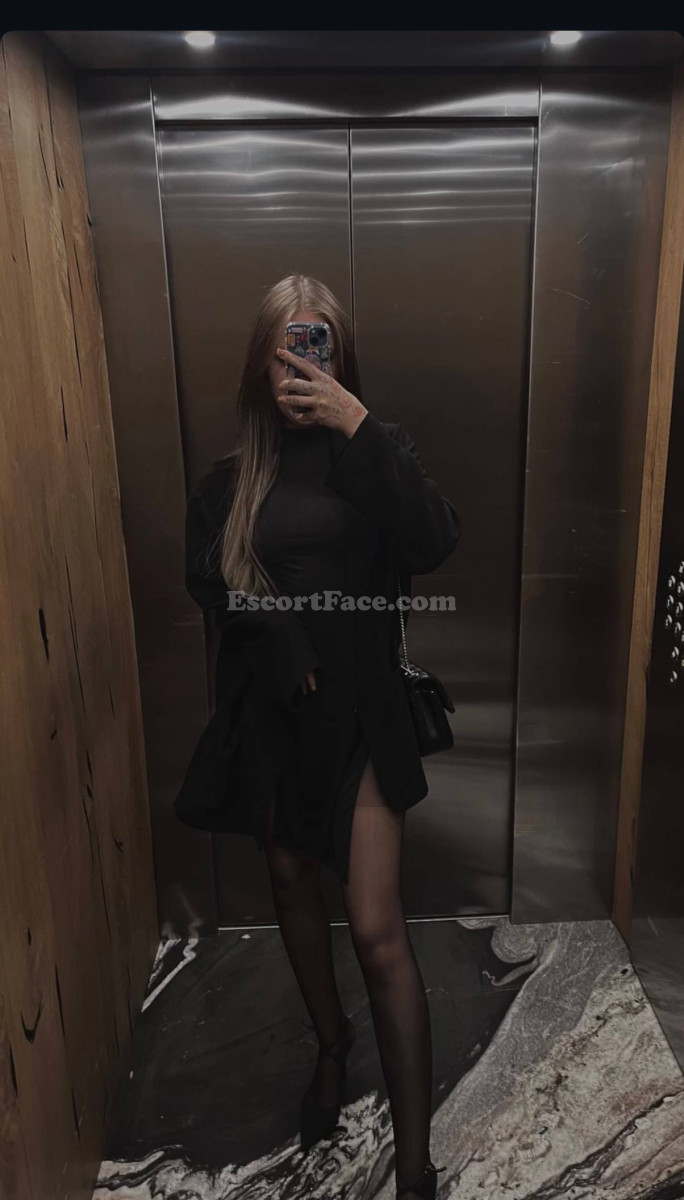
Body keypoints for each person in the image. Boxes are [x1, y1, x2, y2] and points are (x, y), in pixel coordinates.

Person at [182, 274, 460, 1200]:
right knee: (292, 880)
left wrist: (356, 423)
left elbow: (434, 540)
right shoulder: (233, 482)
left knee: (377, 929)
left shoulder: (376, 451)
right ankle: (332, 1051)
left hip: (367, 719)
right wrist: (275, 626)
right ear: (261, 365)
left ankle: (414, 1170)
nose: (303, 367)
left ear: (341, 358)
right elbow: (210, 588)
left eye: (320, 347)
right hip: (275, 720)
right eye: (289, 350)